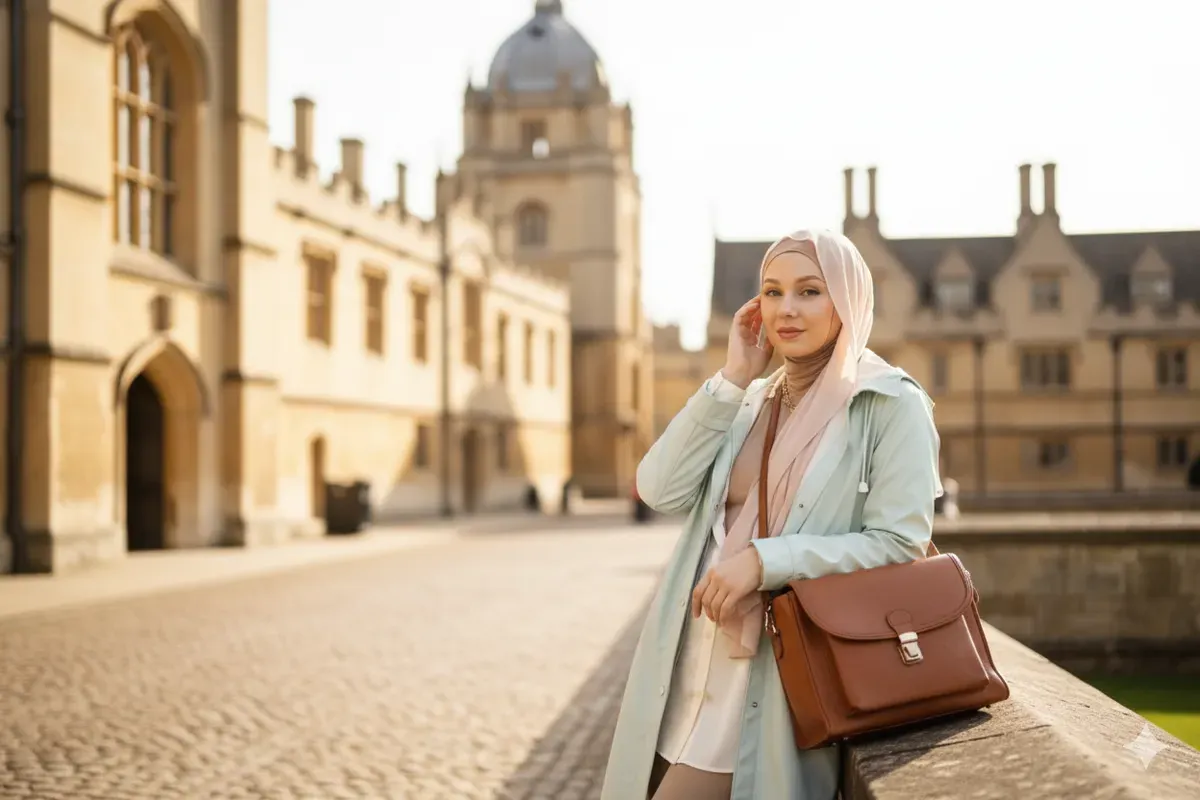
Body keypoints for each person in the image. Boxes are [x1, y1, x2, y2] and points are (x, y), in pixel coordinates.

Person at [600, 230, 943, 800]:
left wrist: (765, 562)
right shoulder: (749, 400)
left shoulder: (890, 403)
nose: (786, 309)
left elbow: (900, 542)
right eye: (772, 291)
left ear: (847, 300)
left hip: (769, 675)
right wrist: (734, 375)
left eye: (810, 291)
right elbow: (658, 488)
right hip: (684, 665)